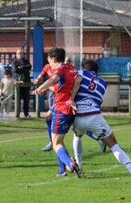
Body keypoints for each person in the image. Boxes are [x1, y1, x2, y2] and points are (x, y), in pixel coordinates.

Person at [70, 60, 131, 177]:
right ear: (96, 71)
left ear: (85, 68)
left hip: (78, 116)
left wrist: (71, 99)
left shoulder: (81, 73)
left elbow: (76, 80)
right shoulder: (103, 84)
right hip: (93, 116)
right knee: (114, 145)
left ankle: (80, 167)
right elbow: (99, 101)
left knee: (77, 137)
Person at [34, 48, 82, 178]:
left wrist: (40, 87)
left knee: (56, 144)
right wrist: (71, 97)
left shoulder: (60, 70)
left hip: (62, 109)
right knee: (57, 136)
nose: (48, 62)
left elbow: (53, 79)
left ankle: (70, 165)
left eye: (49, 59)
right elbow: (76, 81)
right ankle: (62, 169)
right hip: (69, 108)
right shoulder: (72, 68)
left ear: (53, 59)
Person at [33, 59, 55, 152]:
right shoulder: (47, 67)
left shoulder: (62, 69)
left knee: (75, 123)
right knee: (49, 118)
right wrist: (37, 81)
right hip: (53, 96)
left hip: (62, 98)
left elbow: (57, 87)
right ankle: (52, 142)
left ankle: (54, 143)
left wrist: (44, 88)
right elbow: (39, 78)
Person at [12, 49, 32, 118]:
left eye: (21, 53)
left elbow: (29, 66)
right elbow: (15, 70)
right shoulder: (14, 62)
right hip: (18, 83)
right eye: (18, 53)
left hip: (26, 82)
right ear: (16, 54)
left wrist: (21, 67)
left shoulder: (26, 61)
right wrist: (24, 68)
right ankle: (18, 114)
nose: (20, 55)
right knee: (18, 99)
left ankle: (26, 113)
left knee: (26, 99)